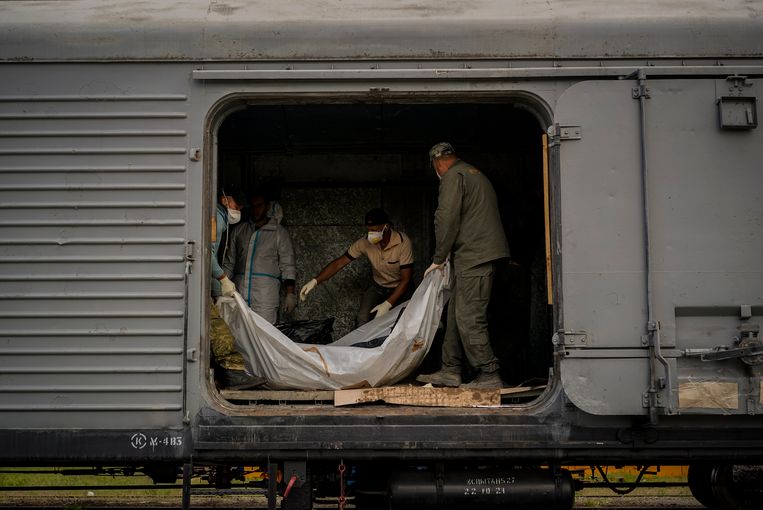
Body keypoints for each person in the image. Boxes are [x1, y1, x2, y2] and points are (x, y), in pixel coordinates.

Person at [416, 143, 510, 389]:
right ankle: (450, 369)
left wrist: (439, 258)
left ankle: (489, 373)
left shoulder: (452, 177)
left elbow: (446, 218)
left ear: (437, 163)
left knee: (469, 317)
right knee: (457, 314)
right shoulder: (472, 174)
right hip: (474, 256)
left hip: (475, 257)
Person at [299, 208, 414, 327]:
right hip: (378, 286)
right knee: (362, 318)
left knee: (403, 322)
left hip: (401, 287)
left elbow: (406, 279)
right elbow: (339, 262)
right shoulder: (364, 243)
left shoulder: (403, 242)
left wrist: (388, 304)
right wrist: (315, 281)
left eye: (375, 230)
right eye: (369, 231)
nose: (371, 235)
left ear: (387, 227)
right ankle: (361, 345)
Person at [223, 192, 297, 324]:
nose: (256, 209)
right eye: (253, 206)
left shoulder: (278, 233)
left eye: (259, 205)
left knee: (265, 337)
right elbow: (229, 263)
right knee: (238, 336)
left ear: (267, 207)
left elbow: (288, 265)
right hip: (238, 294)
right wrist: (221, 289)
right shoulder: (239, 230)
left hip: (265, 297)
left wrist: (290, 294)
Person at [211, 189, 244, 298]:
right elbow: (207, 254)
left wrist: (217, 290)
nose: (238, 211)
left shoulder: (219, 218)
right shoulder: (217, 220)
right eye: (236, 207)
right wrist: (223, 279)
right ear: (225, 201)